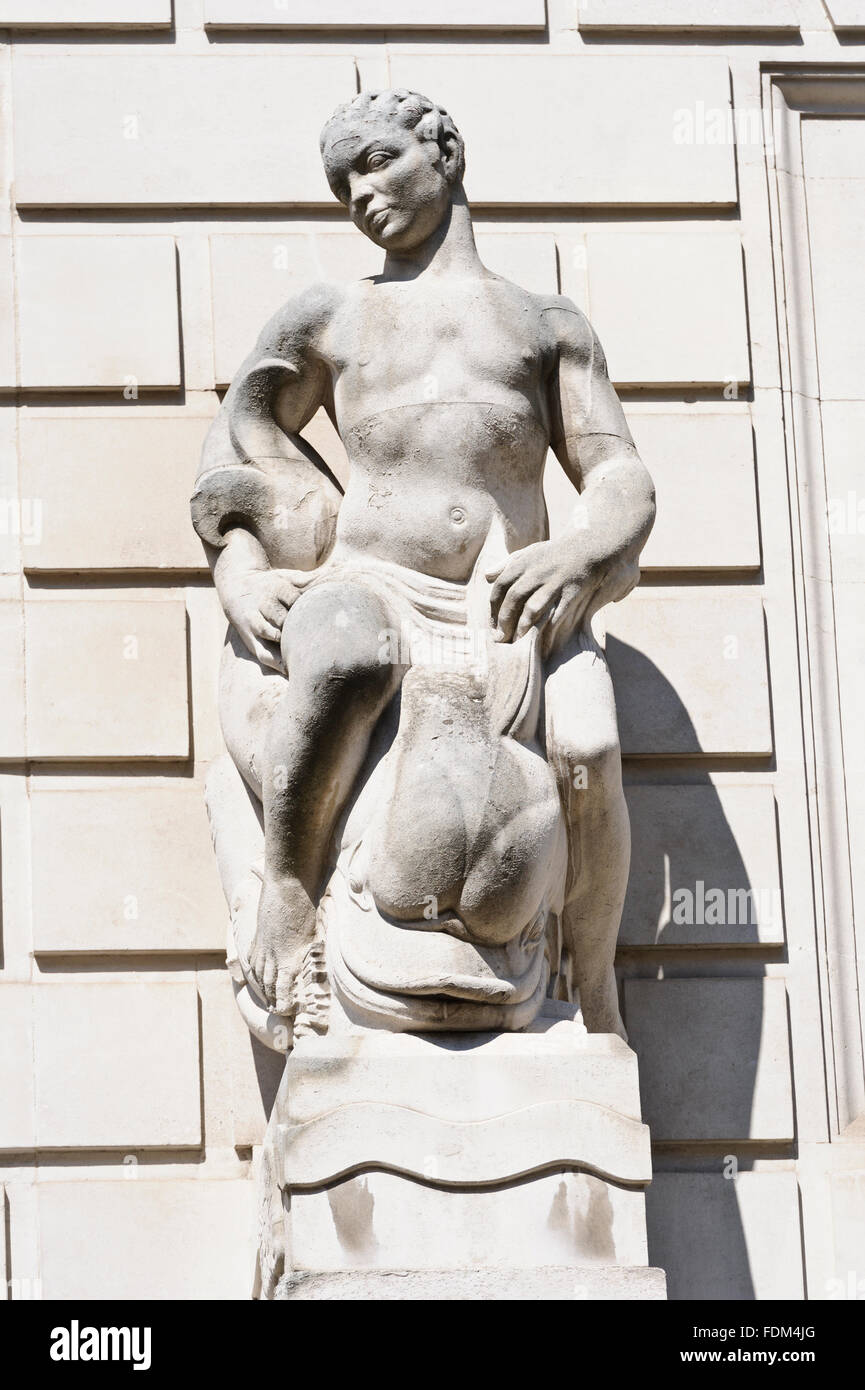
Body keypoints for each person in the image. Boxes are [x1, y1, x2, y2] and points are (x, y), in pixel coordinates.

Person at [191, 89, 655, 1038]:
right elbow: (238, 449)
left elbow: (616, 471)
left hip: (509, 604)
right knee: (347, 658)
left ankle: (594, 982)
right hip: (372, 585)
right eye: (341, 182)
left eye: (375, 162)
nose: (359, 195)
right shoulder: (331, 315)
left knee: (591, 748)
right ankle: (287, 887)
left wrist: (581, 549)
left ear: (442, 149)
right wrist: (239, 576)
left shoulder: (545, 324)